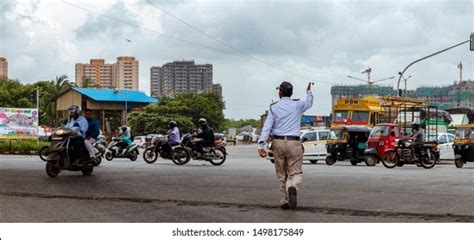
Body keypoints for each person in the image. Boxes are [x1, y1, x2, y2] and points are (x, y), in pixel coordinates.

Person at [258, 81, 313, 210]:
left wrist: (261, 145)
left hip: (278, 143)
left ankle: (284, 200)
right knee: (295, 172)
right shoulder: (298, 105)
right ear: (291, 92)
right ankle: (292, 186)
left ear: (280, 92)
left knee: (281, 173)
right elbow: (309, 103)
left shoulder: (274, 107)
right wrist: (309, 92)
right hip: (294, 143)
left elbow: (267, 127)